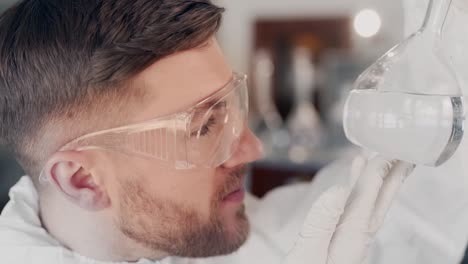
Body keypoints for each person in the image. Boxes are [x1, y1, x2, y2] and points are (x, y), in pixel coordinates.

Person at [0, 0, 414, 263]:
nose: (251, 149)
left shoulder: (241, 230)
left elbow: (407, 219)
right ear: (82, 179)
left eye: (231, 109)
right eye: (202, 127)